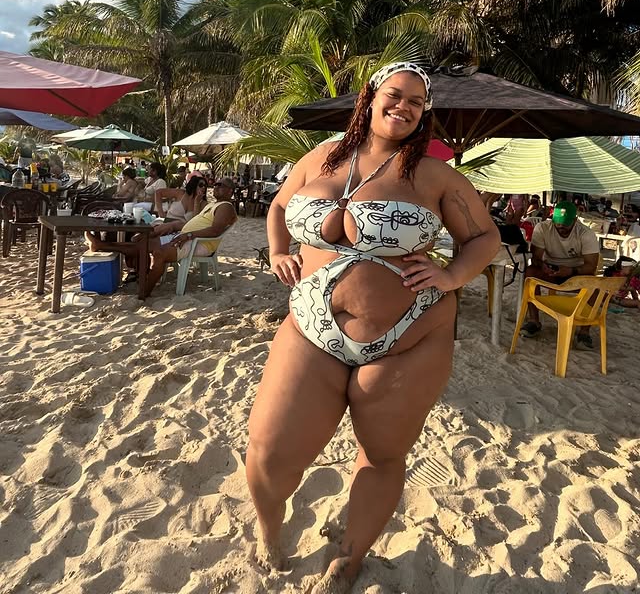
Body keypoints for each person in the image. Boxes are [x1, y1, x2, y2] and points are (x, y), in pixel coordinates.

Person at [246, 61, 500, 592]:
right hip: (311, 328)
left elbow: (484, 239)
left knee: (382, 455)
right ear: (370, 97)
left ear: (424, 113)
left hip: (409, 339)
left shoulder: (434, 175)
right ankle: (270, 529)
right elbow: (279, 205)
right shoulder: (321, 156)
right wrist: (277, 250)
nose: (403, 106)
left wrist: (451, 275)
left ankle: (349, 556)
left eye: (416, 102)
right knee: (268, 453)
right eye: (395, 94)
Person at [519, 201, 600, 348]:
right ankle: (533, 321)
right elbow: (536, 257)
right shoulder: (542, 228)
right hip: (550, 269)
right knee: (530, 273)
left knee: (594, 285)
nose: (561, 227)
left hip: (576, 272)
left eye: (566, 224)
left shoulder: (586, 234)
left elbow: (591, 266)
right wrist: (542, 265)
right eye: (558, 223)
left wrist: (571, 270)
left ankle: (584, 331)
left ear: (575, 220)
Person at [143, 177, 237, 296]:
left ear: (230, 191)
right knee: (144, 244)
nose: (216, 187)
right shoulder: (213, 205)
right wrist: (177, 227)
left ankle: (144, 292)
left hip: (197, 242)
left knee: (159, 253)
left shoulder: (226, 207)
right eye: (215, 184)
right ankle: (140, 278)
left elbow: (215, 231)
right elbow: (195, 221)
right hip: (184, 236)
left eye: (220, 185)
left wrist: (188, 235)